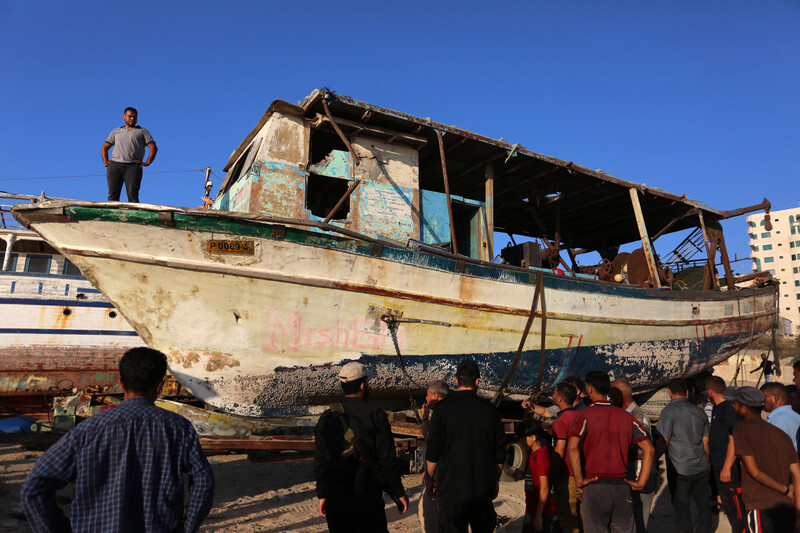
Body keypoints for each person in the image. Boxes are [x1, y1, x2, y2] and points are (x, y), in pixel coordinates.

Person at [21, 347, 214, 533]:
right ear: (159, 386)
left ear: (121, 383)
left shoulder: (87, 431)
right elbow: (204, 481)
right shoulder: (179, 428)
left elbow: (33, 489)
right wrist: (187, 528)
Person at [314, 361, 408, 533]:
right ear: (363, 385)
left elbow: (321, 460)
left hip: (337, 499)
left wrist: (322, 494)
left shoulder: (327, 417)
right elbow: (387, 459)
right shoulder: (376, 415)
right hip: (368, 499)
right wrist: (398, 492)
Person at [426, 359, 507, 533]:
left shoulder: (442, 410)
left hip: (451, 491)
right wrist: (495, 480)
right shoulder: (490, 410)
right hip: (482, 490)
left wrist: (429, 479)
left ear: (456, 381)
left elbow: (433, 451)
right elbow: (500, 452)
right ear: (477, 381)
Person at [567, 371, 654, 533]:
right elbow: (649, 449)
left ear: (590, 389)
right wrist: (641, 482)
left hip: (595, 486)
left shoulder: (584, 415)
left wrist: (579, 479)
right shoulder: (627, 417)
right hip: (622, 487)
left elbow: (572, 447)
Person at [729, 386, 800, 532]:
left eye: (734, 404)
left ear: (744, 408)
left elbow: (753, 471)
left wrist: (784, 489)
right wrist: (798, 514)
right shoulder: (782, 435)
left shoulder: (741, 429)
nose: (733, 407)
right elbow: (797, 475)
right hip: (785, 507)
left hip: (760, 506)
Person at [656, 378, 712, 533]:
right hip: (701, 466)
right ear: (687, 392)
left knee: (682, 507)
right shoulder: (699, 411)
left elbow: (664, 441)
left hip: (679, 468)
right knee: (703, 505)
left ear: (669, 393)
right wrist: (706, 463)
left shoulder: (668, 411)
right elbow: (706, 441)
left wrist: (653, 459)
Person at [611, 379, 656, 533]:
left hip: (639, 478)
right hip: (635, 477)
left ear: (621, 395)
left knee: (639, 523)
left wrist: (619, 451)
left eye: (612, 393)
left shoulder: (636, 416)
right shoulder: (627, 414)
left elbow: (645, 452)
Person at [705, 376, 746, 533]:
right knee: (728, 505)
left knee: (736, 506)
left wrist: (727, 467)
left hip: (727, 466)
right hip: (718, 464)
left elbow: (734, 440)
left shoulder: (728, 409)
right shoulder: (716, 407)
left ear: (710, 391)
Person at [101, 107, 157, 203]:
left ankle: (133, 212)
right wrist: (105, 161)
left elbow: (153, 147)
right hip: (115, 165)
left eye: (135, 117)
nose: (132, 119)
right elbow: (104, 147)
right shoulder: (116, 131)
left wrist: (147, 162)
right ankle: (111, 212)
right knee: (113, 195)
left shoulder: (142, 131)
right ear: (124, 116)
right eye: (130, 116)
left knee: (132, 195)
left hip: (133, 166)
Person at [550, 382, 583, 533]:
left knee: (569, 523)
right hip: (582, 474)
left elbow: (560, 451)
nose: (552, 395)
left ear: (560, 399)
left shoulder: (561, 421)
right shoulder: (582, 416)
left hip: (567, 476)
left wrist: (552, 475)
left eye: (554, 393)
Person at [419, 380, 449, 533]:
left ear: (436, 396)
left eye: (428, 395)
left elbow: (433, 445)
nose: (426, 398)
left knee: (431, 516)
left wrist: (430, 474)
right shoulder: (448, 412)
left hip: (440, 477)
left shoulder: (440, 414)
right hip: (442, 474)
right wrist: (425, 418)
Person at [521, 419, 556, 533]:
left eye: (523, 438)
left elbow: (545, 487)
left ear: (533, 437)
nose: (521, 441)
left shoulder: (541, 457)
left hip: (542, 511)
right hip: (532, 509)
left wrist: (538, 516)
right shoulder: (533, 454)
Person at [760, 382, 800, 451]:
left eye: (764, 397)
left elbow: (774, 449)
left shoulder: (776, 419)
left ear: (776, 398)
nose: (761, 401)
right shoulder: (795, 415)